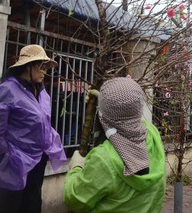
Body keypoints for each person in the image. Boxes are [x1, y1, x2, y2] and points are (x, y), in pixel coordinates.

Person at [0, 44, 67, 213]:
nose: (44, 72)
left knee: (32, 205)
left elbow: (44, 122)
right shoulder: (7, 90)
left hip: (37, 161)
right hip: (15, 161)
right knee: (11, 206)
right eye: (41, 67)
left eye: (46, 67)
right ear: (28, 66)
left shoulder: (41, 92)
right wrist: (7, 153)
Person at [63, 77, 166, 212]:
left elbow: (75, 200)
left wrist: (76, 167)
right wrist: (106, 100)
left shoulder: (103, 158)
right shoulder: (152, 133)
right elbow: (126, 114)